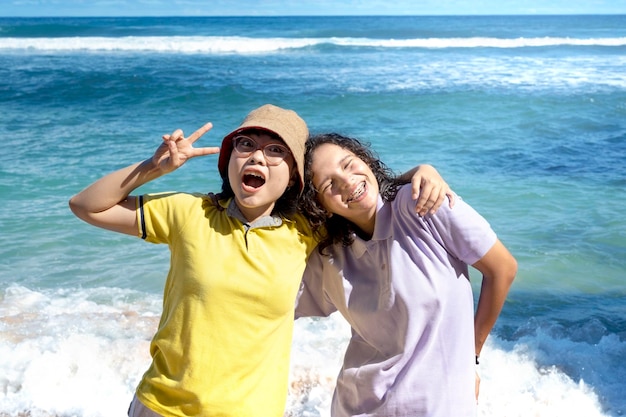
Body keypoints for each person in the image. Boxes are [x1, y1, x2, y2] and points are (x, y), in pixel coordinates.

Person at [68, 104, 451, 417]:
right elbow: (86, 206)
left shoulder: (306, 231)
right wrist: (154, 168)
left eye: (275, 151)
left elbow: (362, 196)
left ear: (293, 178)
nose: (257, 156)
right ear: (228, 161)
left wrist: (421, 172)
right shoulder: (189, 213)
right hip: (163, 407)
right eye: (246, 145)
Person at [295, 133, 517, 417]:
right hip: (357, 406)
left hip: (441, 406)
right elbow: (269, 305)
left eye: (349, 164)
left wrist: (471, 357)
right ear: (319, 205)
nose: (347, 181)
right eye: (329, 184)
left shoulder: (424, 205)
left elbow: (502, 269)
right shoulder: (330, 256)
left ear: (365, 159)